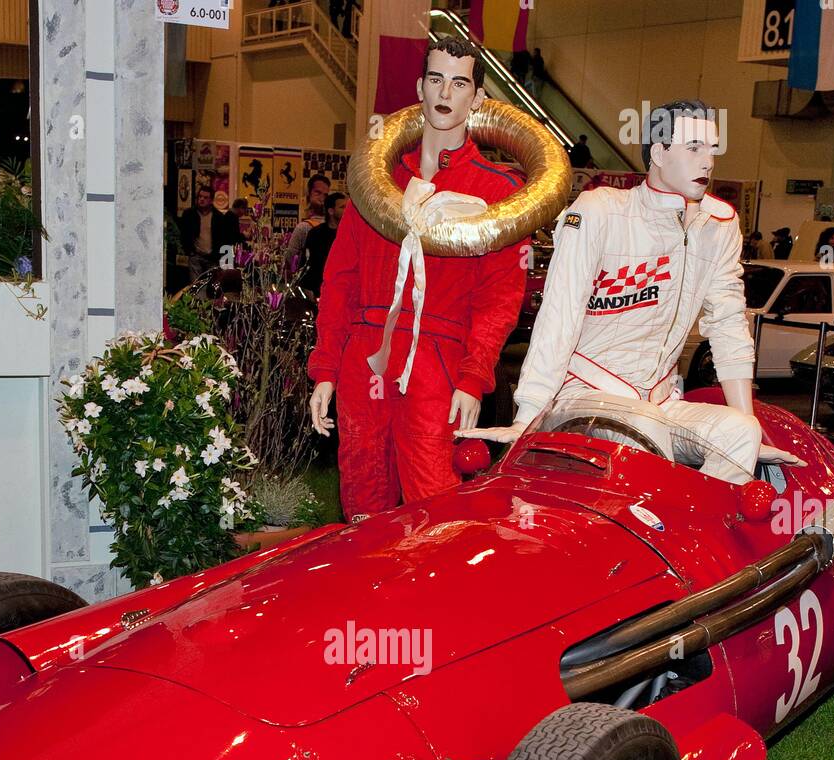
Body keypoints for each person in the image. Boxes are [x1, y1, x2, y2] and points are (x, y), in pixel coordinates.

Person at [458, 98, 779, 487]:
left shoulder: (719, 225)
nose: (707, 162)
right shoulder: (601, 210)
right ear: (658, 152)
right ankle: (648, 531)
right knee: (645, 432)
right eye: (694, 148)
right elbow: (560, 313)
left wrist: (749, 425)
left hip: (659, 400)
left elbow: (728, 324)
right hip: (585, 393)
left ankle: (687, 532)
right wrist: (528, 414)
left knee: (739, 434)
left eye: (712, 149)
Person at [307, 36, 529, 518]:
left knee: (436, 504)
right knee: (363, 499)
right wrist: (325, 366)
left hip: (438, 364)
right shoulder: (377, 180)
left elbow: (500, 297)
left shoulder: (498, 190)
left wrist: (473, 378)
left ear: (478, 97)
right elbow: (340, 279)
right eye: (435, 79)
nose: (445, 92)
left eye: (459, 81)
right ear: (419, 88)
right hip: (366, 358)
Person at [179, 184, 241, 283]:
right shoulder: (189, 214)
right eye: (200, 197)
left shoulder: (218, 217)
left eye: (205, 197)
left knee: (211, 286)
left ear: (211, 200)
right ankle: (198, 299)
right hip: (196, 256)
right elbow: (184, 234)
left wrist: (223, 258)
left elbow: (224, 238)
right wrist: (189, 251)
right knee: (196, 285)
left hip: (212, 257)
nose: (202, 199)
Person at [302, 191, 348, 297]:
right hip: (319, 293)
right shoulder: (315, 234)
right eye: (342, 207)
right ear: (331, 211)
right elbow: (307, 264)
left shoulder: (351, 234)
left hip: (344, 293)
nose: (347, 211)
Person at [285, 173, 331, 269]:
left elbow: (290, 259)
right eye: (318, 193)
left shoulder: (303, 227)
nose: (322, 198)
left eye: (325, 195)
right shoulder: (336, 226)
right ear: (309, 194)